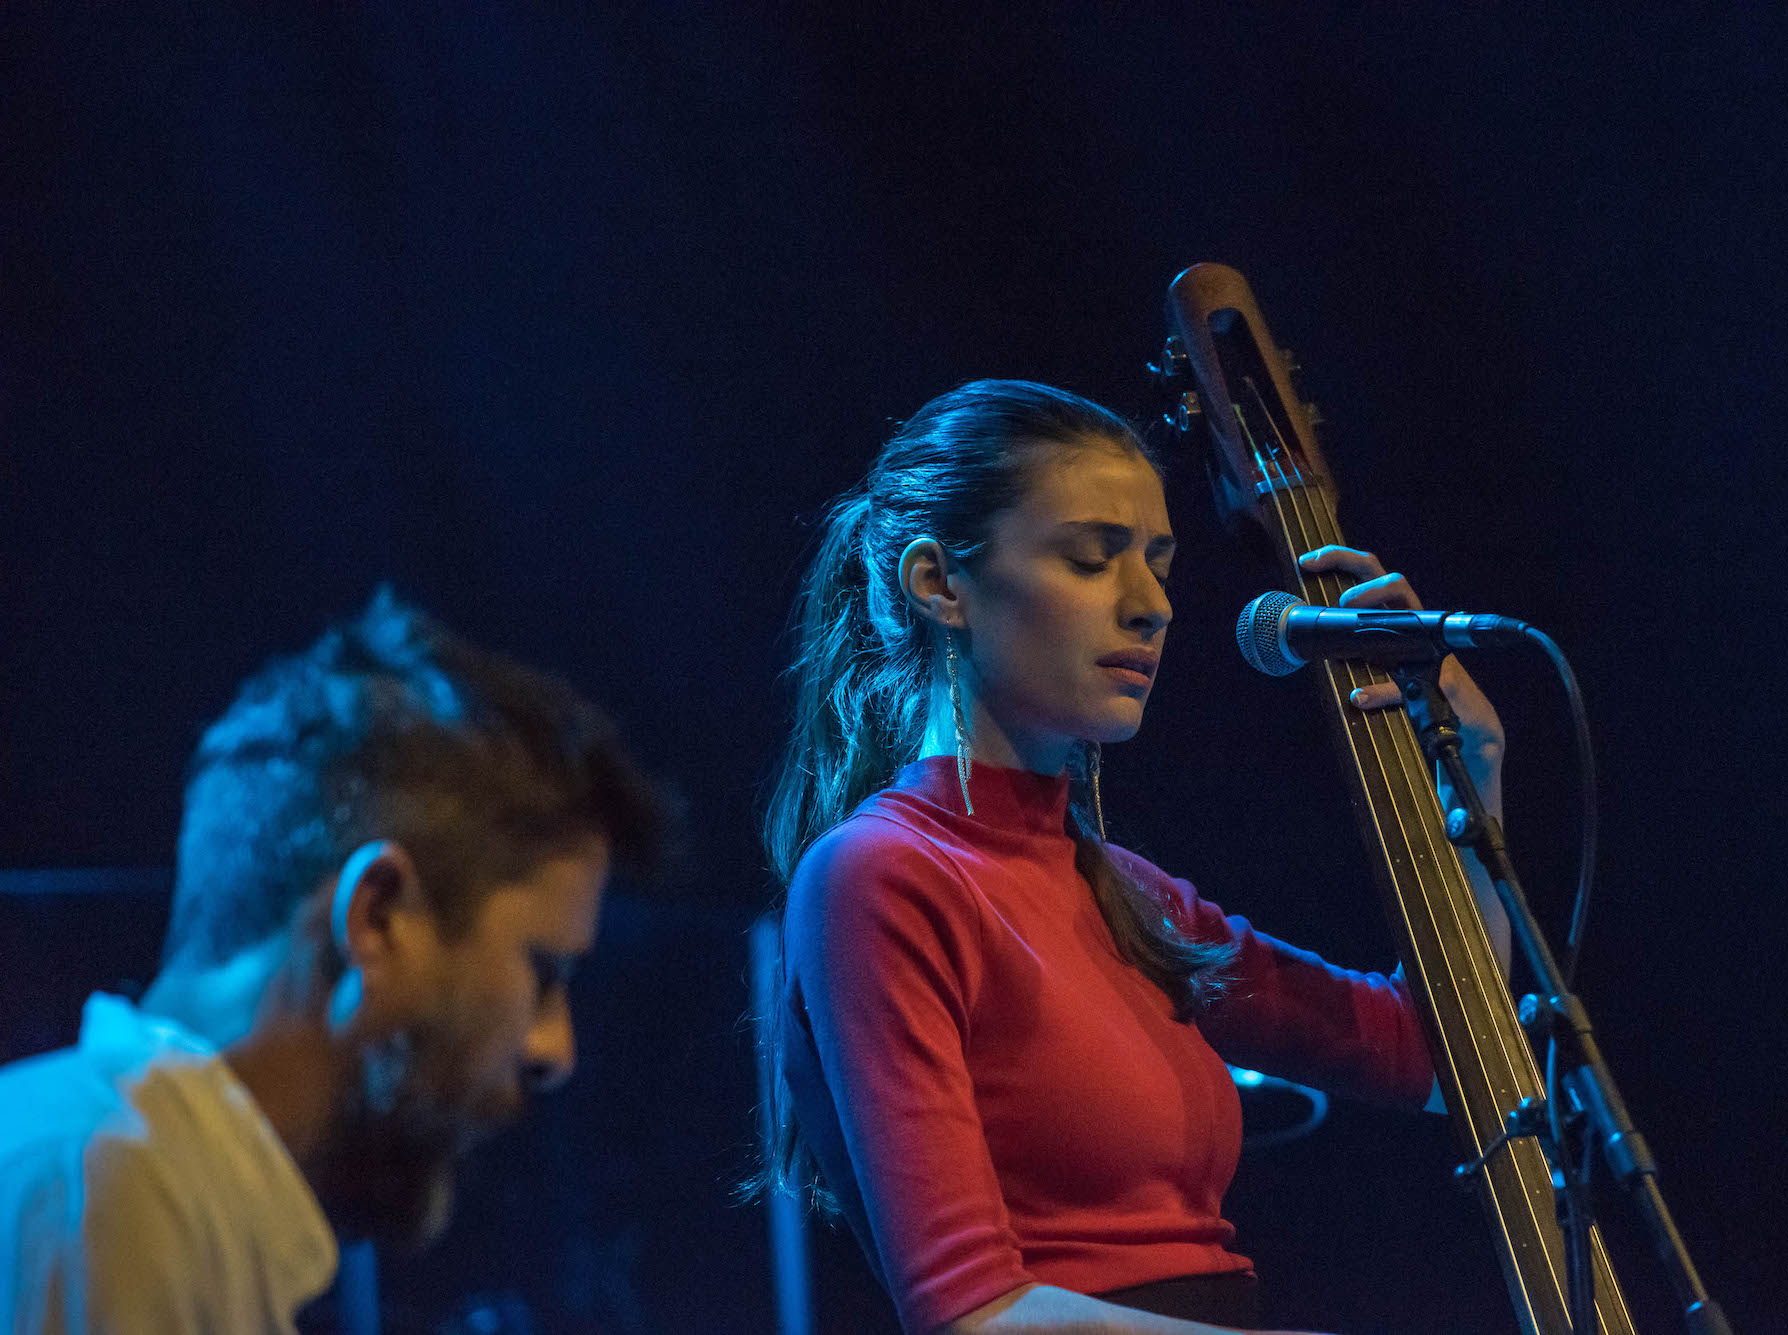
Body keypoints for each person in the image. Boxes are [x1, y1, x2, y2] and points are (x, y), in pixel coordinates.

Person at [756, 380, 1513, 1335]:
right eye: (1090, 559)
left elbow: (1432, 1053)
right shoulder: (880, 875)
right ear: (939, 583)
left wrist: (1472, 767)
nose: (1152, 606)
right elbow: (974, 1313)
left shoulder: (1130, 896)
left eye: (1158, 563)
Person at [0, 591, 663, 1333]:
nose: (555, 1051)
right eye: (544, 972)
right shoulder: (97, 1190)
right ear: (375, 917)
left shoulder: (146, 1193)